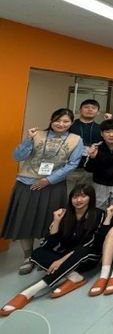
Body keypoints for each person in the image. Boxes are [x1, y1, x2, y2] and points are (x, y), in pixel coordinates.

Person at [0, 184, 104, 316]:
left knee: (82, 251)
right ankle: (73, 276)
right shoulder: (65, 214)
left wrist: (61, 261)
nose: (78, 200)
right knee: (37, 252)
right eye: (75, 197)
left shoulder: (98, 214)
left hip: (87, 258)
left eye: (83, 196)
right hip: (66, 257)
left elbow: (90, 243)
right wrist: (56, 221)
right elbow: (48, 244)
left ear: (91, 197)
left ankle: (28, 292)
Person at [2, 108, 84, 275]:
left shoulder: (76, 139)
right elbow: (17, 157)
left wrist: (48, 180)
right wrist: (28, 140)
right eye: (57, 120)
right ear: (51, 120)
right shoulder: (37, 134)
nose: (61, 124)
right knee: (25, 220)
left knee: (51, 222)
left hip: (54, 186)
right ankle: (27, 257)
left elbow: (72, 164)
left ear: (71, 123)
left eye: (66, 121)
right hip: (27, 183)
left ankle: (42, 254)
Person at [68, 99, 103, 193]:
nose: (90, 109)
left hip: (92, 170)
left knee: (87, 196)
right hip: (70, 169)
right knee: (68, 196)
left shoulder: (101, 128)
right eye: (86, 107)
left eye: (93, 108)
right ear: (80, 110)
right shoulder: (70, 126)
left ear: (98, 112)